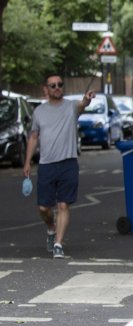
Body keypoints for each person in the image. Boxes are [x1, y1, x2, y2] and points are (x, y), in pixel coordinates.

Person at [23, 74, 94, 259]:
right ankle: (50, 229)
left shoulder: (71, 106)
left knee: (63, 205)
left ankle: (58, 244)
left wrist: (86, 100)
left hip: (68, 163)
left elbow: (82, 105)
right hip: (46, 164)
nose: (57, 88)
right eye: (53, 85)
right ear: (45, 89)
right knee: (44, 208)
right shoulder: (39, 112)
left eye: (60, 85)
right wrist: (27, 161)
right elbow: (33, 137)